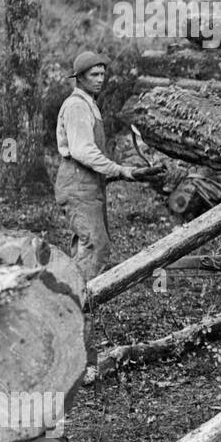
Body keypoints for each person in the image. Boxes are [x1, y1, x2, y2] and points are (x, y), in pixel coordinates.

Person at [55, 51, 163, 278]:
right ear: (80, 78)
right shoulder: (76, 106)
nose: (100, 79)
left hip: (89, 185)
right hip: (77, 186)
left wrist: (128, 173)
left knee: (86, 244)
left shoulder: (90, 104)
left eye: (102, 74)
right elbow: (82, 151)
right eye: (94, 74)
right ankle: (82, 302)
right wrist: (121, 169)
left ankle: (73, 298)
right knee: (95, 245)